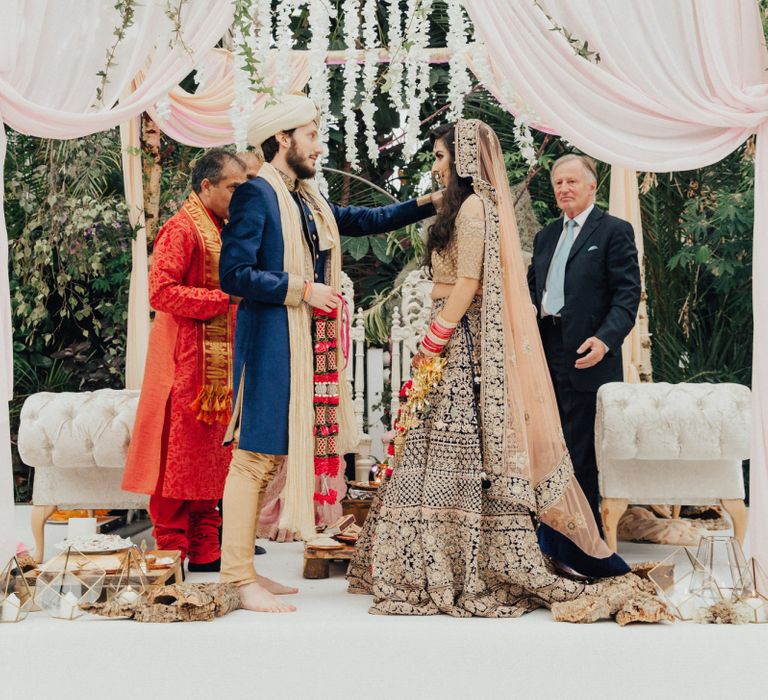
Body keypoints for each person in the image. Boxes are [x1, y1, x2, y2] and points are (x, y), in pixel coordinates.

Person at [348, 120, 631, 618]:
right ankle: (515, 548)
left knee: (570, 450)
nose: (436, 165)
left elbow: (472, 281)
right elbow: (518, 289)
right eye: (558, 181)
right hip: (531, 346)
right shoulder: (525, 229)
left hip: (490, 341)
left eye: (441, 155)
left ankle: (572, 550)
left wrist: (437, 334)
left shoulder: (482, 209)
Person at [218, 94, 441, 613]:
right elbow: (234, 275)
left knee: (267, 457)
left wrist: (426, 204)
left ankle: (245, 571)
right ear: (283, 139)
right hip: (273, 341)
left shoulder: (306, 200)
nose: (320, 145)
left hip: (300, 343)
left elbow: (360, 220)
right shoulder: (256, 195)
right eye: (312, 135)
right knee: (252, 457)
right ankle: (235, 576)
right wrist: (300, 288)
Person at [122, 149, 246, 572]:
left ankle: (206, 543)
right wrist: (224, 299)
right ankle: (171, 545)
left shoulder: (220, 227)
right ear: (206, 186)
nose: (240, 196)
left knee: (211, 456)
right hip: (182, 363)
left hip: (214, 364)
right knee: (176, 457)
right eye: (233, 187)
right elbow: (161, 292)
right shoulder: (181, 229)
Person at [527, 154, 640, 526]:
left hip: (588, 355)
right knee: (547, 446)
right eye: (558, 183)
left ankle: (584, 540)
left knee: (581, 451)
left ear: (592, 186)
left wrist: (605, 341)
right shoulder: (545, 237)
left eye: (572, 182)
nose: (564, 189)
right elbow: (532, 292)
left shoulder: (614, 231)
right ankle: (549, 530)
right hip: (545, 353)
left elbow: (627, 295)